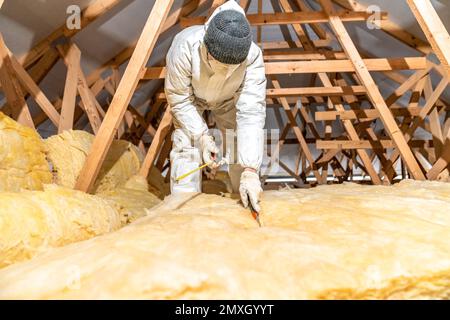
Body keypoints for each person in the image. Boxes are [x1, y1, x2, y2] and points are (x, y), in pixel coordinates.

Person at [165, 0, 266, 212]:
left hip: (229, 100)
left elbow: (251, 112)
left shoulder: (253, 57)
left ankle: (246, 200)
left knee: (238, 145)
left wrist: (250, 169)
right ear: (206, 46)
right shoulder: (185, 46)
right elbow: (180, 98)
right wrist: (202, 136)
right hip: (191, 99)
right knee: (187, 146)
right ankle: (183, 211)